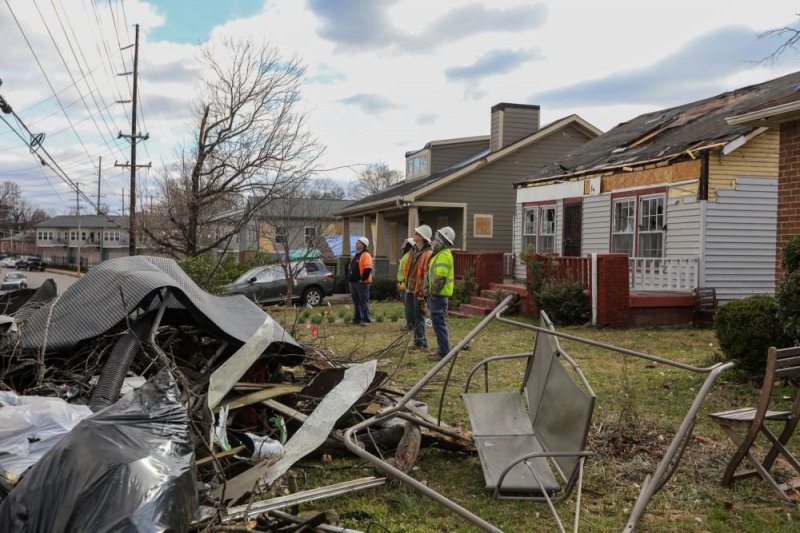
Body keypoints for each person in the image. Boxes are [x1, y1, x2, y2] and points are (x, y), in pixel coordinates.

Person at [425, 226, 455, 360]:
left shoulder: (443, 255)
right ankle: (443, 349)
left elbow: (440, 279)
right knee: (439, 323)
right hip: (438, 295)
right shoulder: (439, 254)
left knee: (439, 323)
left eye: (437, 239)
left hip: (439, 296)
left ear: (442, 240)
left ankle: (443, 352)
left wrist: (432, 295)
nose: (433, 241)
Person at [405, 225, 432, 350]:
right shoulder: (414, 250)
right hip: (410, 288)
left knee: (418, 316)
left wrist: (423, 292)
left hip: (419, 290)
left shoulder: (427, 253)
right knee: (412, 316)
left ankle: (420, 343)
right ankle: (418, 341)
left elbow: (426, 275)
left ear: (421, 237)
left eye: (416, 233)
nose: (414, 235)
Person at [348, 236, 373, 325]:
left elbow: (368, 269)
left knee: (363, 301)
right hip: (353, 282)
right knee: (356, 302)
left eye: (358, 242)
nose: (356, 243)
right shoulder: (356, 255)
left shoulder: (366, 255)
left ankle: (366, 319)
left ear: (363, 245)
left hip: (362, 283)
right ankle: (357, 318)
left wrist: (362, 279)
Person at [396, 237, 415, 330]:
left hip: (404, 283)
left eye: (405, 242)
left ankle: (410, 324)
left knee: (408, 305)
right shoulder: (406, 255)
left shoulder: (408, 256)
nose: (402, 244)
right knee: (406, 304)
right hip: (401, 283)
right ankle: (410, 323)